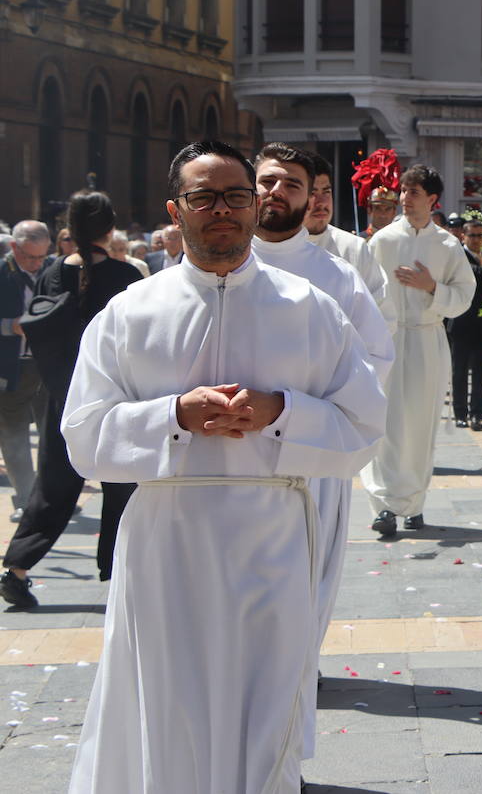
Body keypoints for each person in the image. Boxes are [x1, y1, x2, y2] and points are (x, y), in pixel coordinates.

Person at [57, 141, 385, 792]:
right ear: (176, 211)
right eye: (203, 197)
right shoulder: (129, 315)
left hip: (272, 541)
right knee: (166, 707)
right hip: (167, 544)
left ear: (254, 203)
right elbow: (83, 438)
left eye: (236, 195)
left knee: (265, 714)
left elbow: (364, 428)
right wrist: (172, 416)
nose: (223, 210)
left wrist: (282, 411)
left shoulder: (311, 309)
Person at [250, 141, 395, 746]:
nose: (276, 193)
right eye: (266, 182)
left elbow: (375, 360)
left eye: (291, 185)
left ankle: (283, 746)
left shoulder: (338, 278)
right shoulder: (216, 263)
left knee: (300, 604)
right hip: (221, 468)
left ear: (313, 199)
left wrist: (294, 410)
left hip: (308, 464)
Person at [0, 191, 145, 609]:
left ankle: (18, 568)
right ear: (109, 228)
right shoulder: (126, 277)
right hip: (117, 398)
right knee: (124, 486)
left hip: (62, 396)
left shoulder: (51, 274)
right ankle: (120, 573)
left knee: (53, 485)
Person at [363, 165, 475, 537]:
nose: (405, 198)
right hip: (389, 339)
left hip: (427, 339)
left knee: (419, 423)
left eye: (413, 192)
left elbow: (463, 296)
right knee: (387, 421)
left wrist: (432, 288)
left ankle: (414, 503)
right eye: (403, 191)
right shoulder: (382, 241)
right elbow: (364, 291)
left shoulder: (446, 245)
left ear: (431, 199)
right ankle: (383, 506)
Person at [0, 221, 52, 522]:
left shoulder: (51, 271)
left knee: (51, 434)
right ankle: (26, 499)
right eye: (30, 257)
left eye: (41, 257)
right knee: (14, 435)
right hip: (11, 367)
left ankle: (48, 496)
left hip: (46, 366)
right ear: (14, 248)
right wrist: (11, 326)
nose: (36, 264)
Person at [303, 151, 390, 322]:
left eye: (326, 192)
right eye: (312, 193)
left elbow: (383, 315)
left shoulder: (355, 248)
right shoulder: (273, 245)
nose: (321, 202)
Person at [448, 219, 482, 430]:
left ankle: (477, 413)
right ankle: (460, 413)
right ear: (464, 236)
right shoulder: (459, 257)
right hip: (462, 323)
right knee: (459, 371)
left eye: (480, 235)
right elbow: (475, 274)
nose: (477, 240)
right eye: (473, 235)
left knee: (480, 372)